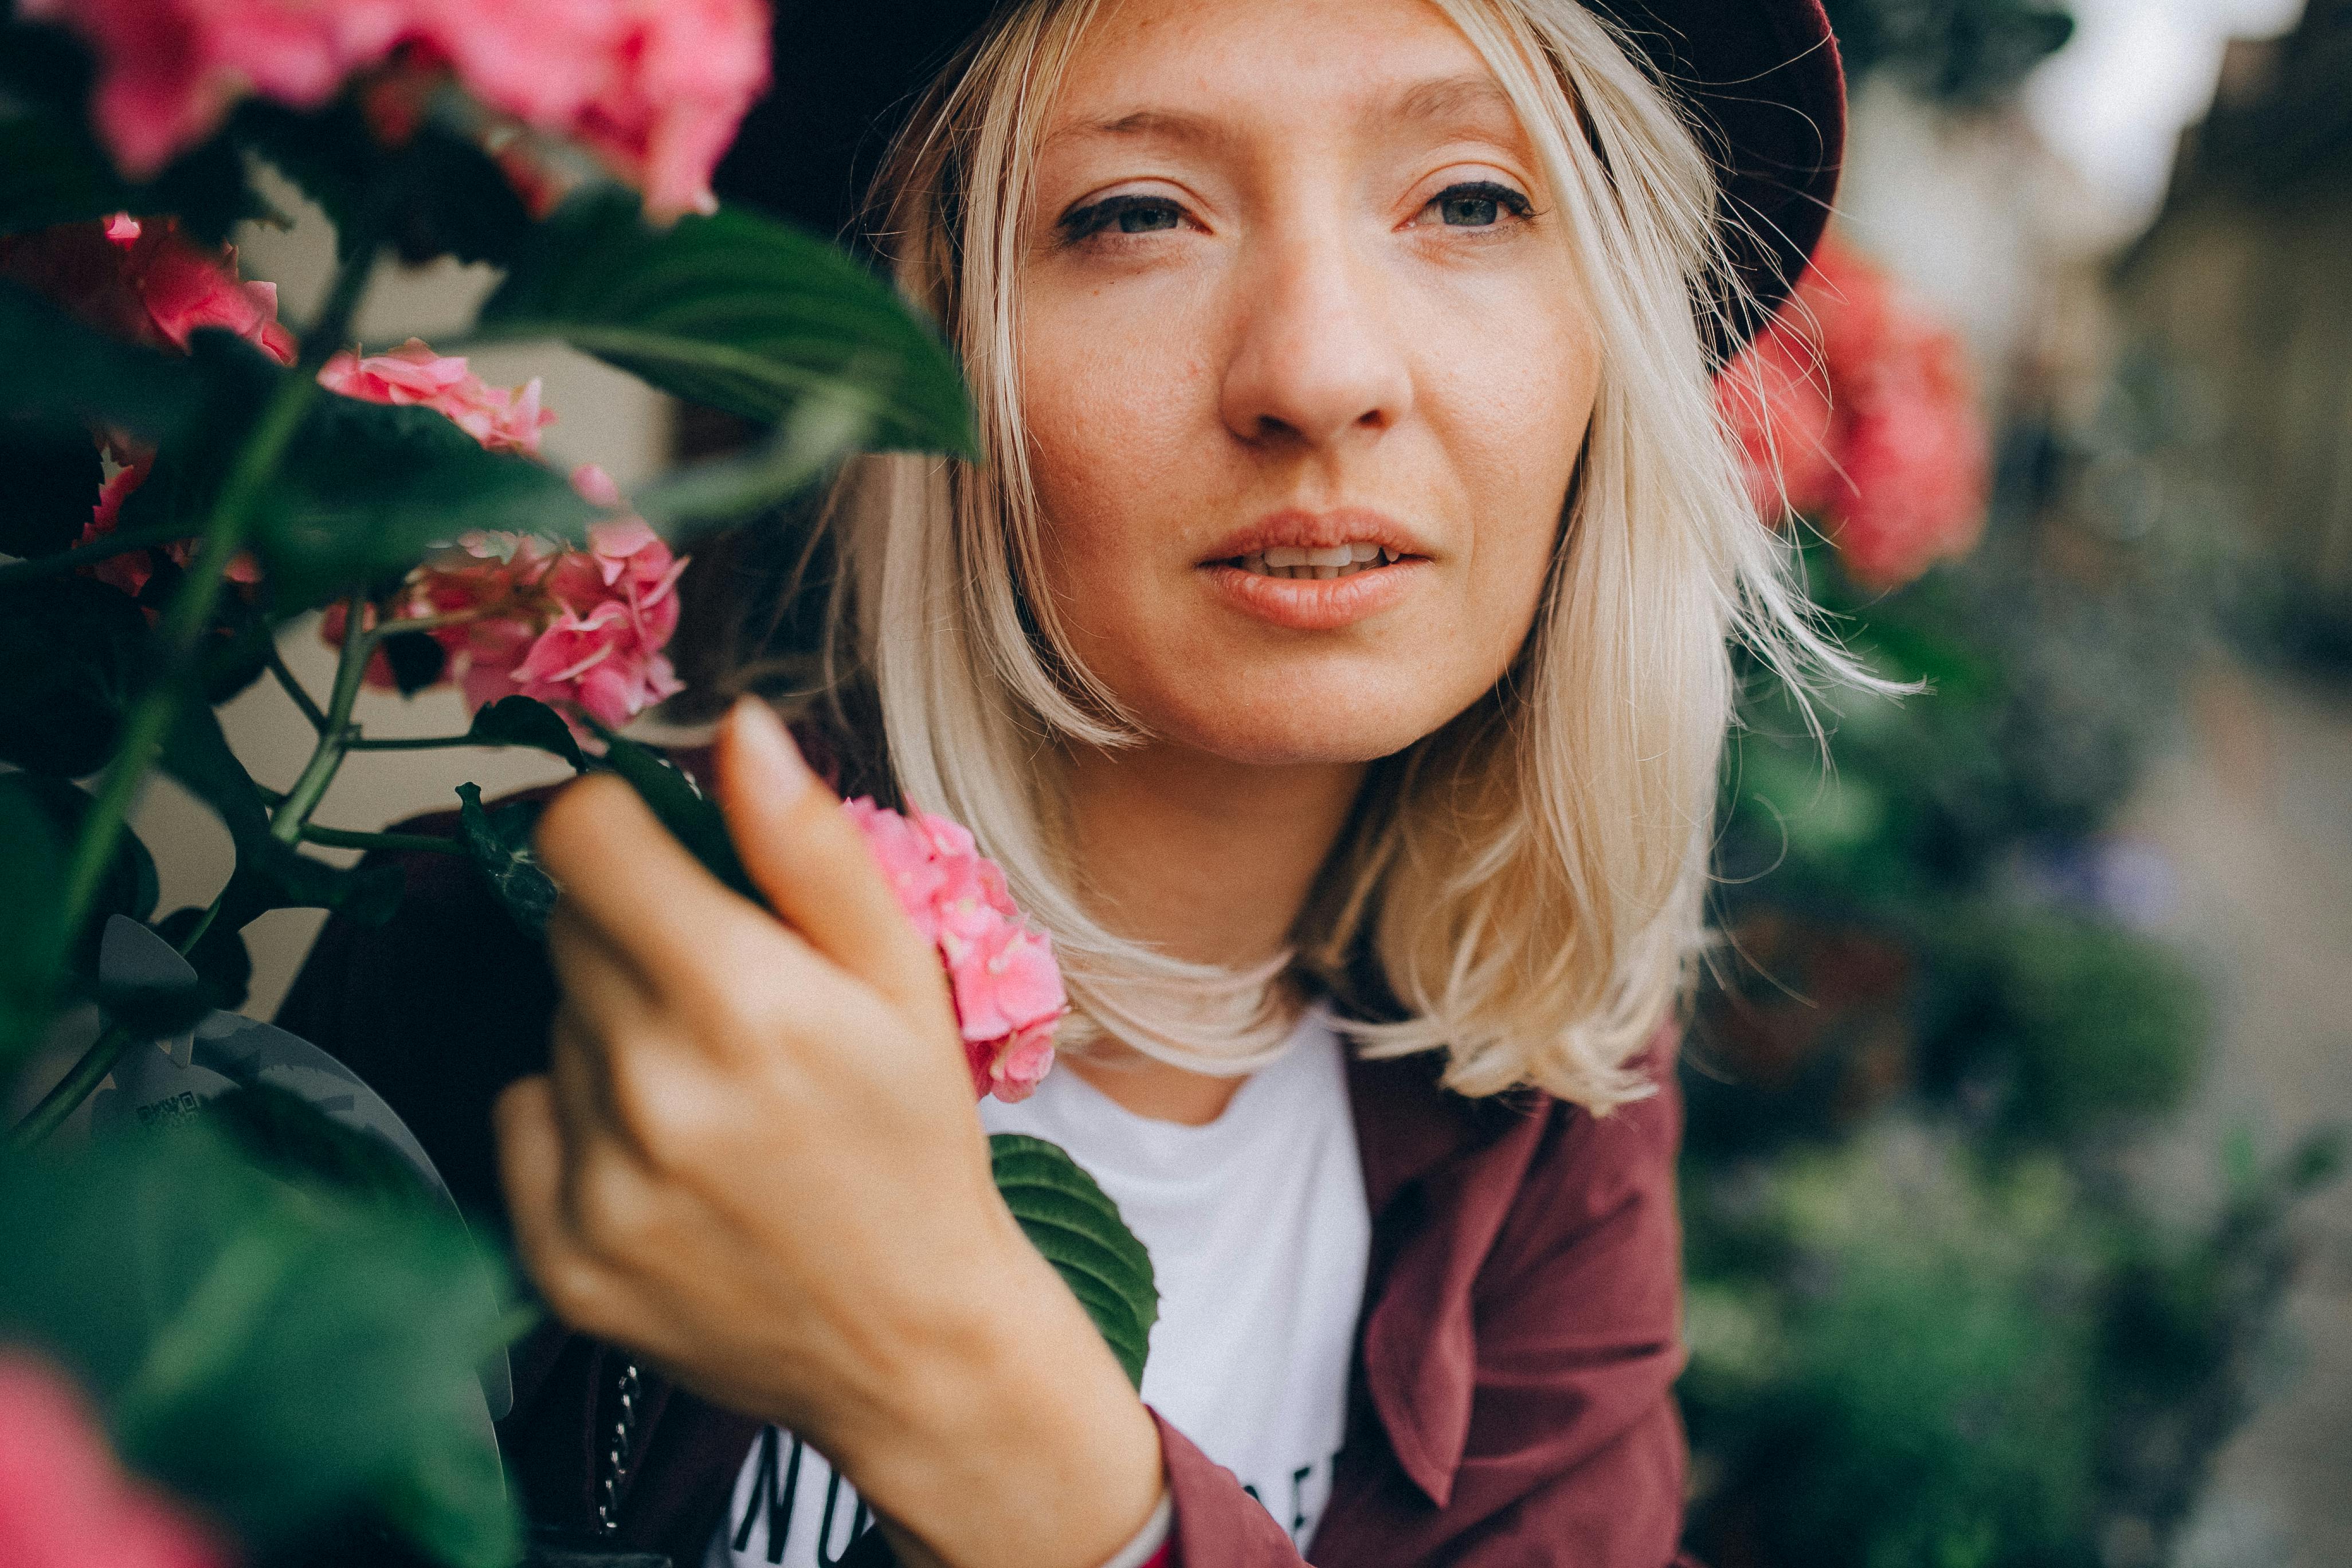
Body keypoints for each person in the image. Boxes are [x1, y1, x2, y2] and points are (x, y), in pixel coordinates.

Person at [279, 0, 1864, 1563]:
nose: (1316, 373)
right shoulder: (528, 951)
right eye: (1131, 215)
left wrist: (990, 1432)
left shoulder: (1543, 1101)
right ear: (933, 341)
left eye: (1469, 199)